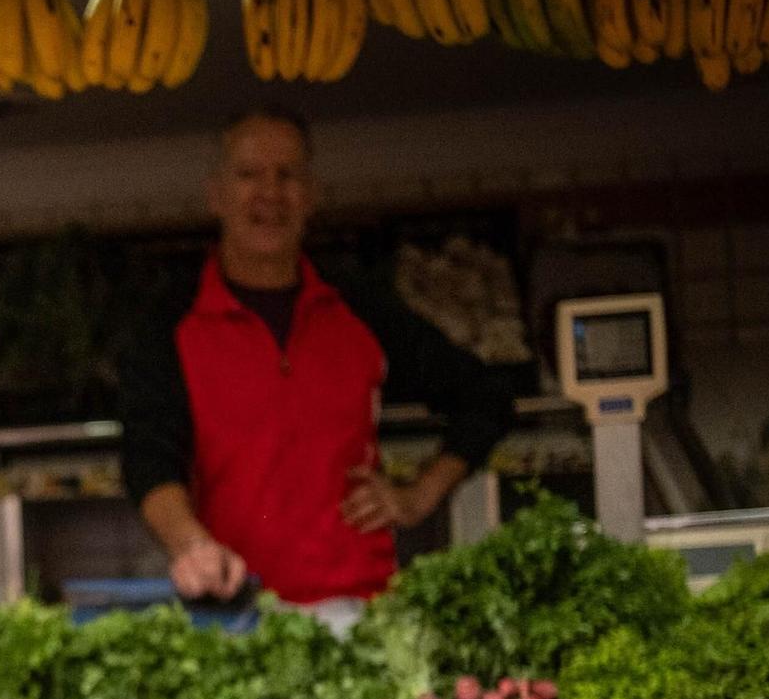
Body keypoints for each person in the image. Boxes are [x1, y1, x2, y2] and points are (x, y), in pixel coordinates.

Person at [120, 104, 514, 607]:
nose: (270, 194)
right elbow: (149, 460)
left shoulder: (358, 307)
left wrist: (418, 495)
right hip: (233, 610)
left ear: (311, 196)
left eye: (288, 175)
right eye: (248, 175)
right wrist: (191, 545)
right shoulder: (170, 323)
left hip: (357, 608)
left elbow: (487, 397)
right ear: (216, 196)